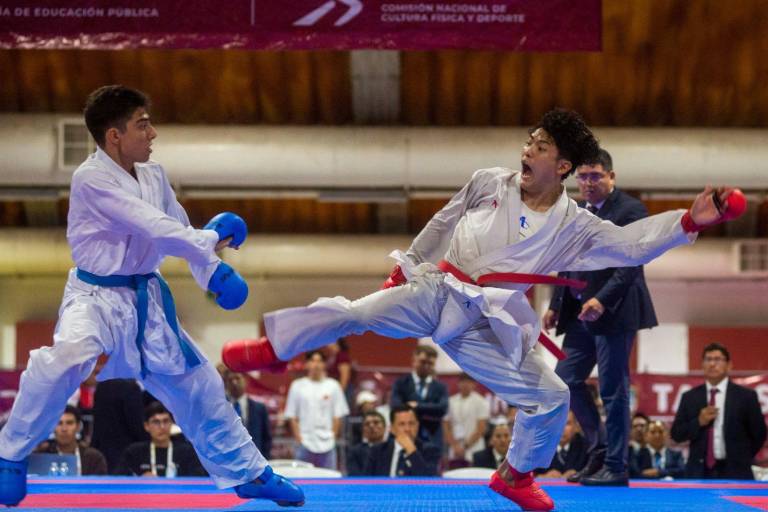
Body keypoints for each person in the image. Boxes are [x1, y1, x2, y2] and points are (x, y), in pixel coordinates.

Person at [223, 108, 741, 511]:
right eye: (529, 141)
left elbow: (629, 246)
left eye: (540, 146)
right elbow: (443, 221)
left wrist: (688, 223)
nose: (526, 150)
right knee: (356, 314)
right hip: (439, 291)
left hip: (489, 321)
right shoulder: (490, 181)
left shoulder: (575, 225)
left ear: (562, 166)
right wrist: (405, 269)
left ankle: (514, 474)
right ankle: (275, 348)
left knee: (552, 395)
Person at [0, 85, 303, 507]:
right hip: (94, 297)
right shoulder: (90, 179)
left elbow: (178, 227)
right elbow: (152, 226)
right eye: (142, 125)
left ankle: (249, 474)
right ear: (114, 136)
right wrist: (213, 237)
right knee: (67, 357)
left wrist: (213, 273)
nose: (153, 133)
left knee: (200, 383)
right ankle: (10, 455)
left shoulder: (154, 175)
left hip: (147, 297)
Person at [543, 148, 658, 486]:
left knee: (612, 389)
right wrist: (555, 304)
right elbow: (567, 261)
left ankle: (616, 466)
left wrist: (602, 300)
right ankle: (600, 450)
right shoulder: (577, 212)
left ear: (611, 177)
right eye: (583, 177)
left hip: (615, 312)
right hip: (580, 313)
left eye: (596, 176)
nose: (589, 183)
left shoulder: (630, 210)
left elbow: (631, 262)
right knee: (565, 381)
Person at [671, 343, 766, 479]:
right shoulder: (690, 397)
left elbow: (759, 434)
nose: (712, 364)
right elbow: (676, 434)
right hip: (699, 472)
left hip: (736, 471)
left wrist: (742, 458)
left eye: (717, 359)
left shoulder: (746, 396)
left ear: (729, 365)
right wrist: (698, 422)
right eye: (708, 359)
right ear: (702, 365)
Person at [284, 351, 350, 469]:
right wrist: (299, 438)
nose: (316, 364)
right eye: (313, 361)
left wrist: (333, 436)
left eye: (319, 361)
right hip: (305, 443)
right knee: (301, 478)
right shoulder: (297, 386)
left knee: (329, 479)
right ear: (307, 364)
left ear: (324, 364)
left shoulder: (333, 386)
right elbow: (292, 415)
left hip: (327, 444)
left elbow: (338, 415)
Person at [115, 402, 206, 477]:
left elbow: (199, 481)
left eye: (166, 421)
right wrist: (140, 481)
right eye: (156, 422)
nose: (162, 427)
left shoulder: (187, 453)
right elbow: (118, 480)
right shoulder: (134, 452)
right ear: (146, 426)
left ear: (172, 423)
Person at [390, 346, 449, 448]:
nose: (426, 366)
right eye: (423, 362)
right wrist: (430, 409)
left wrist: (417, 406)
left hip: (432, 440)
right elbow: (396, 406)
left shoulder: (440, 387)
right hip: (405, 437)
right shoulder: (401, 383)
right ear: (414, 360)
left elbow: (442, 408)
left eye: (430, 363)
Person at [363, 405, 441, 477]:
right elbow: (366, 482)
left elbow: (429, 481)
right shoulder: (377, 451)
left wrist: (411, 451)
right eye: (402, 424)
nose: (407, 429)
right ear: (392, 429)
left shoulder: (430, 450)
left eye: (411, 423)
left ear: (417, 426)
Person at [90, 378, 149, 473]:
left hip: (103, 451)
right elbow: (136, 424)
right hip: (126, 452)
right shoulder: (131, 388)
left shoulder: (102, 386)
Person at [34, 406, 107, 476]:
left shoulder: (94, 458)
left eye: (69, 423)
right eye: (59, 423)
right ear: (53, 427)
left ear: (78, 426)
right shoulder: (42, 457)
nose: (64, 429)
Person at [223, 370, 272, 459]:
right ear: (226, 384)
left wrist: (265, 460)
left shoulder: (259, 409)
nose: (234, 382)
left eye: (237, 378)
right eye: (230, 380)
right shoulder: (221, 410)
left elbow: (266, 439)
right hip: (229, 460)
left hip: (255, 459)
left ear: (246, 380)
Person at [444, 373, 490, 465]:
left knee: (475, 471)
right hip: (455, 447)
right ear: (458, 383)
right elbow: (445, 426)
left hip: (475, 446)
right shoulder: (450, 401)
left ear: (474, 384)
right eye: (463, 382)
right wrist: (455, 446)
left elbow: (481, 429)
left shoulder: (481, 401)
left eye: (469, 382)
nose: (465, 385)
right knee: (455, 471)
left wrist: (465, 447)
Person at [537, 411, 587, 479]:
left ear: (576, 427)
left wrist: (579, 475)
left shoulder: (586, 447)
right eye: (557, 423)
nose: (561, 429)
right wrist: (542, 477)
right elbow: (530, 475)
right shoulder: (540, 447)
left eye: (567, 423)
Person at [346, 411, 387, 476]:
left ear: (385, 427)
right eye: (367, 424)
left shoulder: (393, 449)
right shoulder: (355, 452)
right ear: (363, 430)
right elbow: (354, 476)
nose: (371, 426)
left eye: (376, 422)